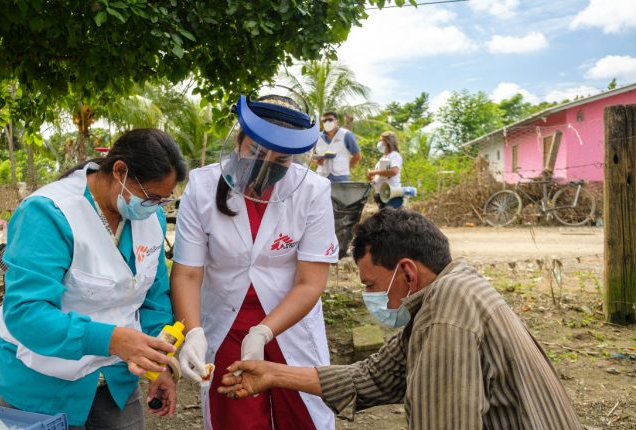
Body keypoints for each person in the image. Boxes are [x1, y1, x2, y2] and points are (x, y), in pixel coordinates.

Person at [219, 208, 583, 430]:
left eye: (373, 285)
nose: (371, 297)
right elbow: (373, 376)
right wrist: (274, 374)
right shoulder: (451, 288)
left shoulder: (447, 316)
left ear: (407, 272)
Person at [0, 129, 187, 429]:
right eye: (150, 197)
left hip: (115, 382)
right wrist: (112, 340)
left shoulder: (149, 218)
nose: (155, 207)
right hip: (42, 384)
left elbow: (153, 297)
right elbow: (27, 314)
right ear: (119, 171)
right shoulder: (49, 213)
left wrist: (159, 367)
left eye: (162, 201)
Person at [171, 94, 339, 430]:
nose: (266, 167)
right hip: (227, 325)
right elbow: (187, 274)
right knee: (237, 417)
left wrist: (263, 332)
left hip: (289, 322)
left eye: (281, 160)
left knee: (302, 416)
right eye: (257, 153)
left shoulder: (313, 192)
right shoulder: (202, 188)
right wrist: (193, 333)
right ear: (238, 141)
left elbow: (310, 282)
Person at [314, 111, 361, 182]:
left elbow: (357, 156)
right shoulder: (317, 137)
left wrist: (345, 168)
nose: (327, 122)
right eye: (324, 121)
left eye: (330, 120)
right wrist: (316, 161)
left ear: (336, 122)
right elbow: (310, 156)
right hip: (321, 178)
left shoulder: (346, 135)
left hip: (341, 179)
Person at [367, 131, 404, 209]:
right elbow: (382, 176)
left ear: (388, 142)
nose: (379, 143)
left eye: (381, 140)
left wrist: (374, 172)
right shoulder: (383, 157)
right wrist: (373, 179)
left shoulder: (394, 155)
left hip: (392, 195)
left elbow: (394, 171)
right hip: (382, 195)